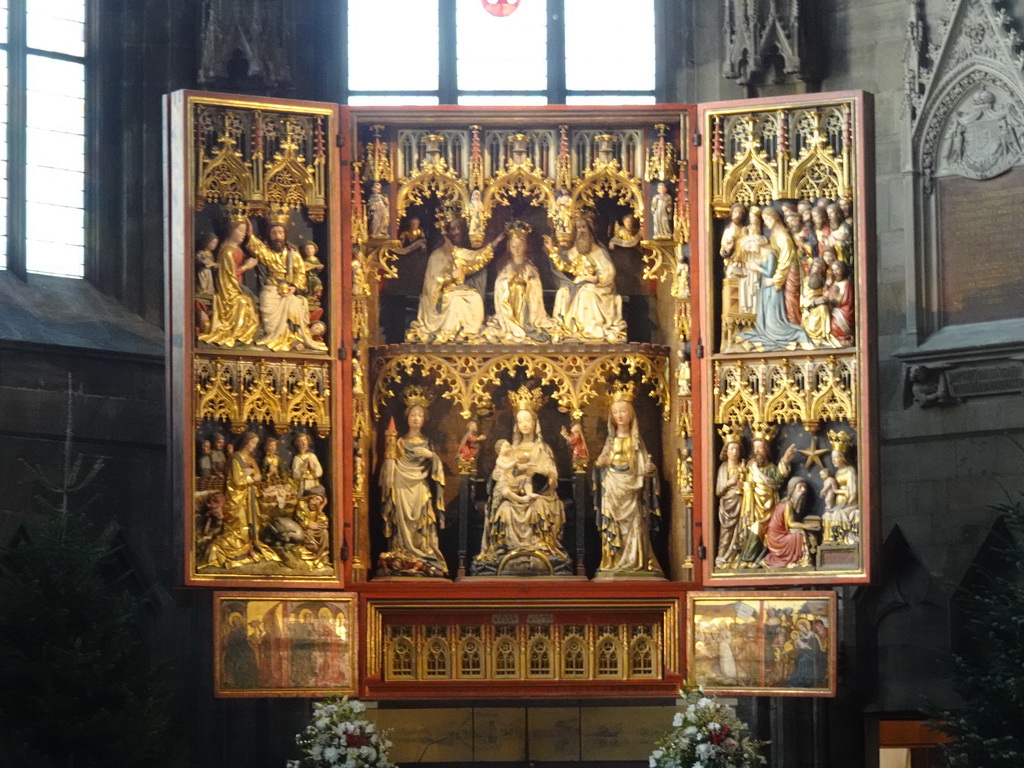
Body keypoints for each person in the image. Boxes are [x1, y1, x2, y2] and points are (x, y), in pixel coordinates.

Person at [474, 387, 570, 575]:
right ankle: (505, 549)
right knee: (505, 509)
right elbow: (497, 474)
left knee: (538, 505)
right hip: (512, 494)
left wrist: (538, 471)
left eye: (527, 420)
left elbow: (553, 477)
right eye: (520, 420)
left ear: (535, 422)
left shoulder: (543, 449)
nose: (524, 424)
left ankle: (541, 548)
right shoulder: (509, 448)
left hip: (540, 494)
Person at [593, 385, 664, 576]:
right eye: (615, 412)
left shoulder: (636, 442)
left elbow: (644, 465)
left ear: (631, 414)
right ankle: (613, 562)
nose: (619, 415)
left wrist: (651, 471)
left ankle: (635, 561)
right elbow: (600, 462)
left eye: (623, 411)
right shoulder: (610, 441)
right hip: (613, 487)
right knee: (614, 525)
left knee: (635, 524)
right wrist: (600, 463)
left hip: (632, 489)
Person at [378, 397, 448, 577]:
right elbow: (391, 463)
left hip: (420, 486)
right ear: (407, 417)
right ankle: (402, 553)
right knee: (402, 522)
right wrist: (390, 467)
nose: (416, 418)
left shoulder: (427, 442)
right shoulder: (400, 441)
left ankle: (422, 554)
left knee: (421, 520)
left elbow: (437, 467)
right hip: (401, 484)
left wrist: (431, 455)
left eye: (420, 415)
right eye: (413, 415)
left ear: (425, 419)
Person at [406, 217, 502, 343]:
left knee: (475, 298)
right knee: (455, 300)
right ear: (446, 232)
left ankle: (468, 332)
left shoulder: (459, 252)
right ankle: (449, 332)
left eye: (459, 228)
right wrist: (450, 277)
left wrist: (498, 240)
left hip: (460, 289)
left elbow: (478, 257)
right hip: (443, 295)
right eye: (453, 229)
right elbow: (432, 285)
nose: (457, 232)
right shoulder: (437, 255)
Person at [244, 221, 328, 352]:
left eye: (280, 233)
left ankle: (292, 338)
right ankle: (273, 337)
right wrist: (249, 233)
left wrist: (294, 287)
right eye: (274, 233)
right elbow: (257, 248)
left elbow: (300, 273)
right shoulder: (268, 253)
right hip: (271, 289)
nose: (277, 236)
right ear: (270, 236)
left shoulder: (293, 255)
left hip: (288, 290)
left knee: (294, 306)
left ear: (285, 235)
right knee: (267, 305)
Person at [737, 207, 812, 351]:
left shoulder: (782, 235)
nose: (766, 223)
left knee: (791, 303)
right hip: (778, 273)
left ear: (775, 218)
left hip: (789, 272)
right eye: (764, 220)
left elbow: (785, 260)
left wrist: (776, 280)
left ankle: (795, 328)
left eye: (767, 220)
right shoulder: (774, 235)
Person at [203, 432, 280, 568]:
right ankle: (232, 550)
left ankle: (247, 548)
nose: (254, 446)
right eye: (252, 443)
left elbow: (259, 475)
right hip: (237, 498)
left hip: (249, 497)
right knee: (239, 526)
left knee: (251, 526)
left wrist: (251, 475)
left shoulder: (250, 458)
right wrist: (250, 477)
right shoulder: (236, 459)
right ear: (246, 442)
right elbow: (237, 481)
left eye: (256, 444)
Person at [545, 214, 626, 342]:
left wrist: (596, 279)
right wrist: (552, 251)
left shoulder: (597, 251)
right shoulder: (575, 251)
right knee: (562, 292)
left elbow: (609, 272)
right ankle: (566, 329)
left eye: (583, 227)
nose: (581, 231)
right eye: (578, 228)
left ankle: (588, 329)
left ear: (590, 230)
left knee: (586, 293)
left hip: (598, 287)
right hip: (578, 284)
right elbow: (565, 267)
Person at [482, 220, 557, 343]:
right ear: (509, 247)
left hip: (525, 304)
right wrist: (507, 282)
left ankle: (524, 324)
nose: (516, 249)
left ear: (525, 246)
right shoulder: (505, 267)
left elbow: (536, 286)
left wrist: (527, 283)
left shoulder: (530, 268)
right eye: (513, 246)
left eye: (519, 246)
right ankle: (511, 324)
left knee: (520, 289)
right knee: (513, 288)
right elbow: (499, 285)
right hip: (510, 302)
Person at [736, 430, 796, 567]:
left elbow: (778, 481)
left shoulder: (771, 468)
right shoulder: (750, 466)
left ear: (766, 450)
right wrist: (741, 485)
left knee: (762, 531)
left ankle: (750, 559)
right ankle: (748, 559)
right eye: (755, 447)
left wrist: (785, 460)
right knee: (753, 530)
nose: (757, 451)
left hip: (768, 505)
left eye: (760, 447)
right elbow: (744, 482)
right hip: (752, 505)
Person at [198, 219, 260, 348]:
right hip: (228, 288)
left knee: (248, 300)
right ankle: (237, 334)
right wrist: (246, 267)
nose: (243, 234)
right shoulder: (227, 251)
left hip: (237, 286)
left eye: (245, 231)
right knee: (243, 302)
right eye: (240, 231)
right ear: (232, 232)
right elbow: (228, 274)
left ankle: (243, 335)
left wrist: (251, 235)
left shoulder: (235, 248)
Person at [762, 477, 816, 568]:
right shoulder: (788, 504)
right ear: (792, 490)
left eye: (805, 487)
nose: (803, 490)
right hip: (777, 538)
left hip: (781, 534)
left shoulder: (791, 505)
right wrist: (807, 527)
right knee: (800, 534)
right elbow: (791, 524)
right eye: (800, 487)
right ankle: (800, 561)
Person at [714, 431, 745, 567]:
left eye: (737, 449)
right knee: (726, 535)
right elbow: (718, 490)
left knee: (741, 532)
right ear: (726, 451)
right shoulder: (723, 468)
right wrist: (729, 483)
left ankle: (739, 558)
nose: (734, 452)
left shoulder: (743, 466)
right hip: (728, 506)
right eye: (731, 448)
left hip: (743, 504)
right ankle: (724, 558)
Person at [828, 259, 855, 346]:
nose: (835, 272)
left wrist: (834, 301)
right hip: (834, 309)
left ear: (842, 269)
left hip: (843, 312)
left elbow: (847, 301)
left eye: (837, 269)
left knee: (834, 325)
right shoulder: (834, 282)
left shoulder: (847, 284)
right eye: (833, 270)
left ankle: (844, 338)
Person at [195, 232, 218, 297]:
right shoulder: (201, 252)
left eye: (216, 243)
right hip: (202, 271)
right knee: (203, 284)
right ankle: (202, 290)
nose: (214, 245)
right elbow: (197, 259)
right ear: (207, 242)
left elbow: (213, 264)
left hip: (209, 272)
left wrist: (214, 265)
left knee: (209, 283)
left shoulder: (211, 254)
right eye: (213, 243)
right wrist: (202, 262)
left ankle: (208, 291)